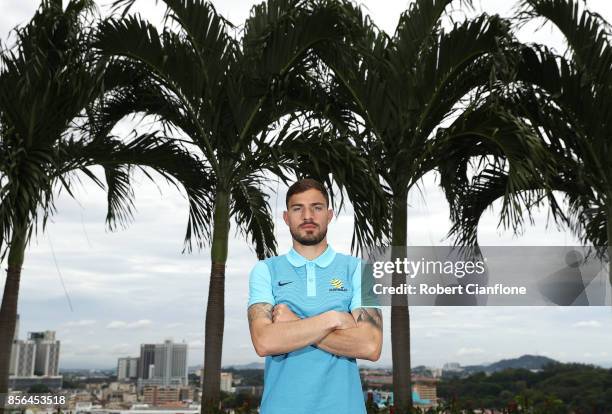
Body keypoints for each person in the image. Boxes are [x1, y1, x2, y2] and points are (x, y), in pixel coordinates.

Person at [247, 178, 383, 414]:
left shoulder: (358, 270)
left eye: (316, 207)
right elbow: (264, 341)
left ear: (329, 215)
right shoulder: (266, 270)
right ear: (286, 217)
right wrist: (336, 319)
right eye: (298, 208)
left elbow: (370, 345)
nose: (307, 216)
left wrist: (293, 324)